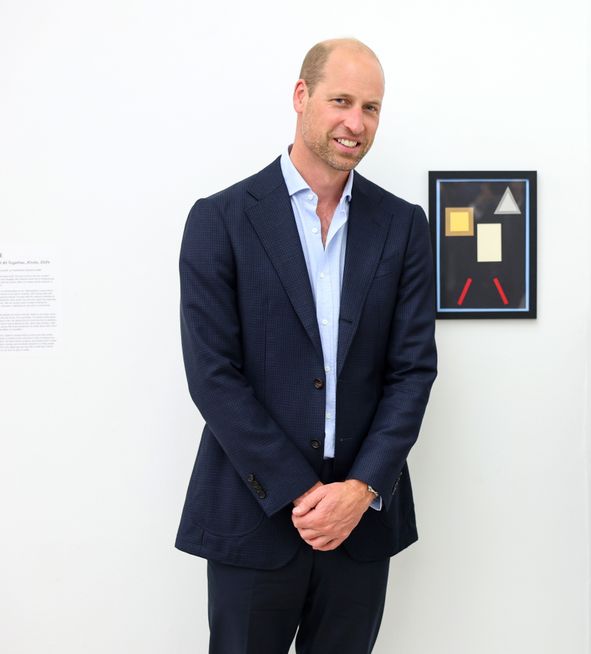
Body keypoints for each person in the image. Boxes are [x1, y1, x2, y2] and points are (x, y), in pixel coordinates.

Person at [175, 38, 437, 654]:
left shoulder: (402, 226)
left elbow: (412, 372)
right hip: (253, 515)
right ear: (301, 97)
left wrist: (361, 489)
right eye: (341, 100)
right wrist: (302, 491)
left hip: (361, 524)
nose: (356, 122)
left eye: (371, 107)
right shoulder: (221, 219)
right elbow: (213, 374)